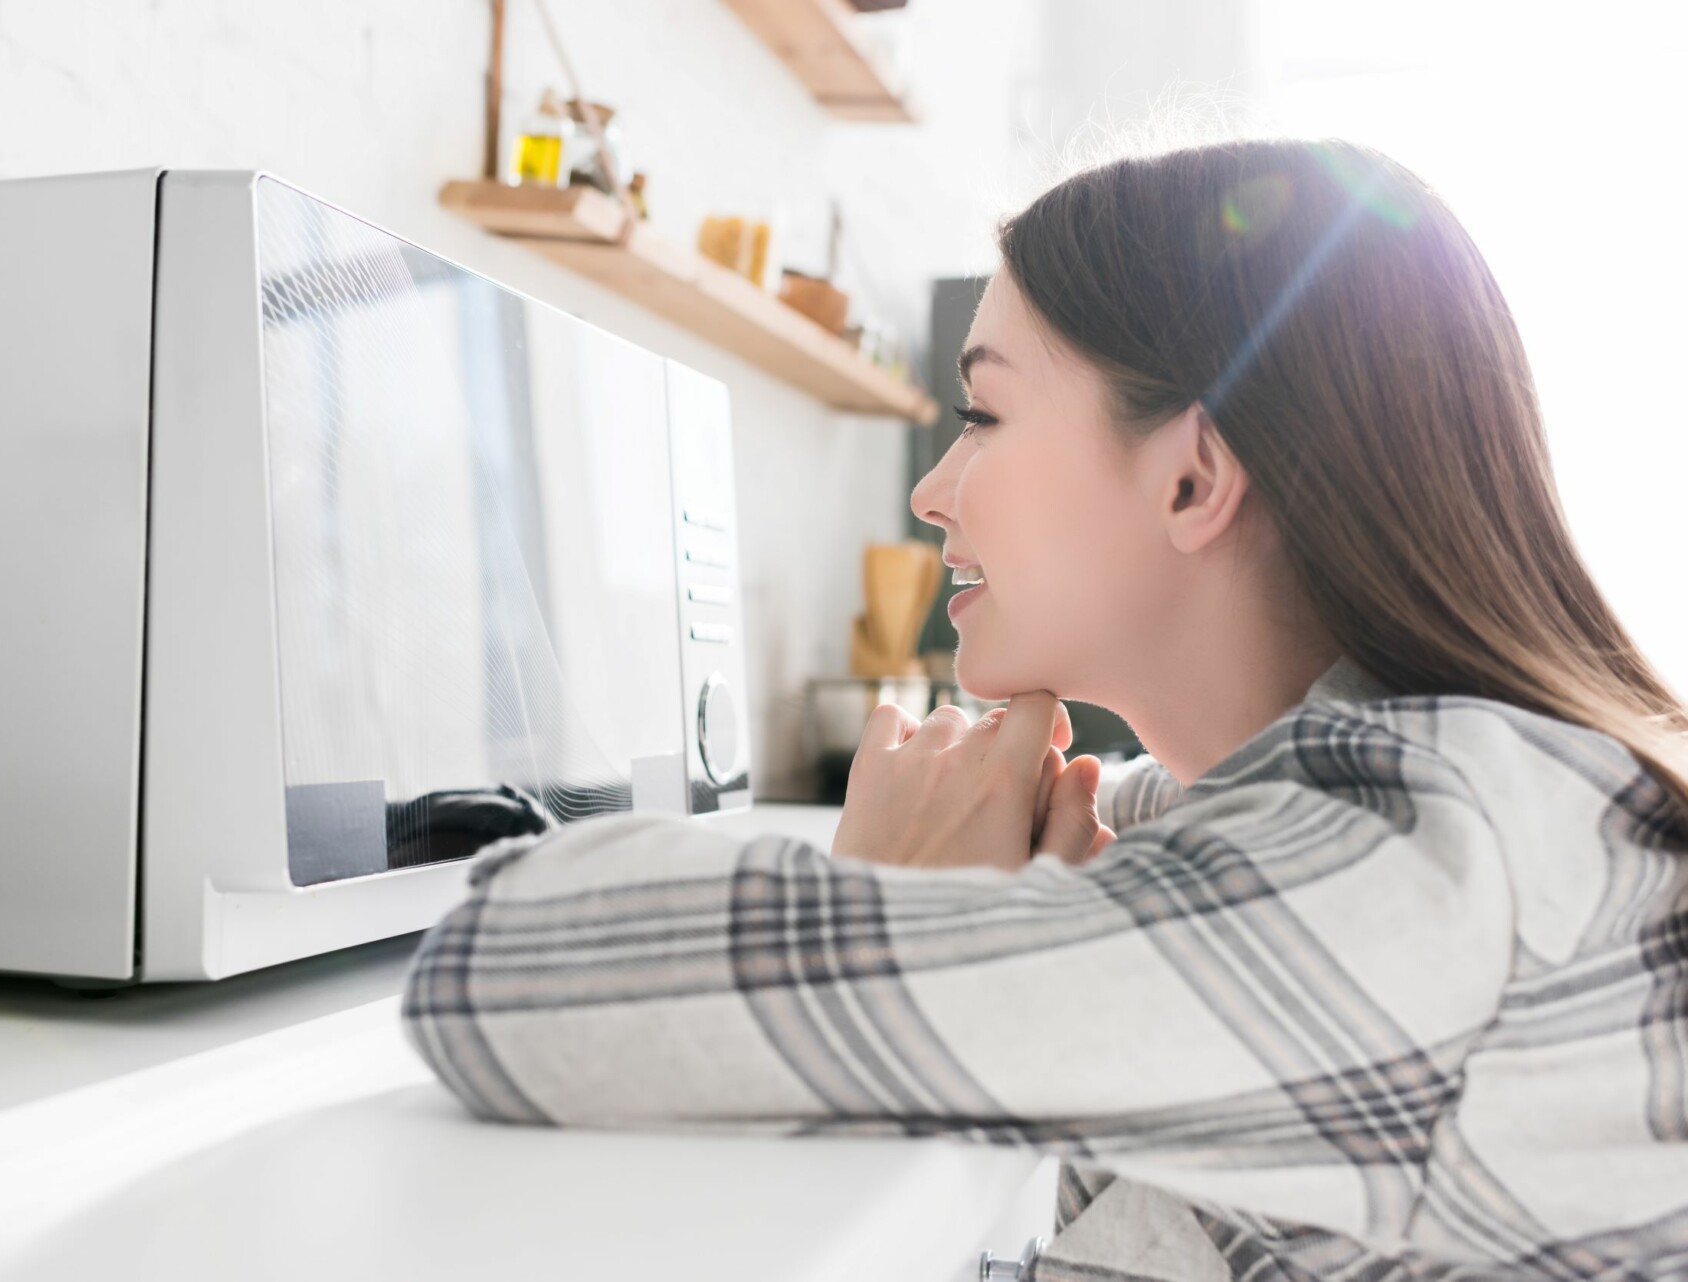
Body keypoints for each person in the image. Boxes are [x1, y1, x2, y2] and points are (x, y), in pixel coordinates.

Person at [401, 138, 1688, 1279]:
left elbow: (502, 973)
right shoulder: (1385, 805)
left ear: (1193, 479)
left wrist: (901, 893)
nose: (933, 492)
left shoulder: (1413, 879)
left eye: (984, 412)